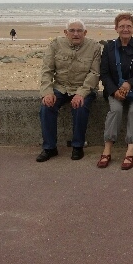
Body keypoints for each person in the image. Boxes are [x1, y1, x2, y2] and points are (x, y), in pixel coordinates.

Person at [36, 19, 101, 162]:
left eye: (79, 31)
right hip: (61, 87)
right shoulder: (55, 45)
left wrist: (81, 93)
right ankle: (49, 148)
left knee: (80, 106)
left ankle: (78, 146)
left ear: (85, 33)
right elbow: (47, 71)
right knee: (46, 107)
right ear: (66, 33)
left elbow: (94, 74)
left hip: (83, 87)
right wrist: (47, 92)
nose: (76, 34)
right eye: (72, 30)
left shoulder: (94, 47)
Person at [97, 13, 133, 170]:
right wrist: (114, 91)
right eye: (122, 26)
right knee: (116, 110)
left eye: (128, 26)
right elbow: (104, 74)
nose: (125, 29)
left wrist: (129, 84)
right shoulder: (109, 47)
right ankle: (107, 148)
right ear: (116, 29)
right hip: (114, 90)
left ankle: (131, 150)